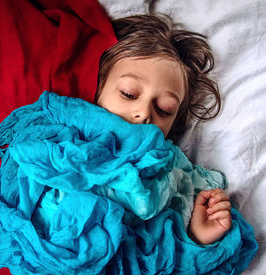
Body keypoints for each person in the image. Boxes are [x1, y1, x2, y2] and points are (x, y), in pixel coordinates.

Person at [94, 14, 231, 245]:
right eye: (128, 94)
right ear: (97, 85)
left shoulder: (173, 174)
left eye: (164, 110)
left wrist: (196, 236)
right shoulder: (59, 138)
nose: (145, 112)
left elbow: (168, 255)